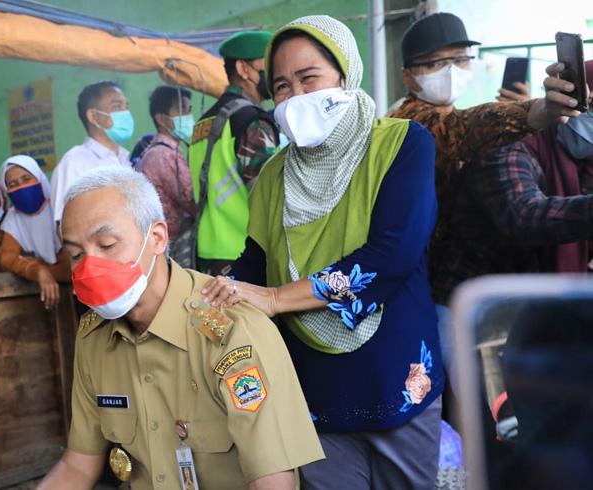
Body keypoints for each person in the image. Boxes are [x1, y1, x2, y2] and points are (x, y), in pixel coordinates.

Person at [201, 15, 446, 489]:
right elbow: (256, 262)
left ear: (345, 74)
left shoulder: (401, 144)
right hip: (313, 389)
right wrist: (210, 294)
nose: (296, 96)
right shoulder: (273, 176)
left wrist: (274, 299)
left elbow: (393, 255)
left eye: (309, 77)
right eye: (282, 86)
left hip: (395, 373)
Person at [37, 166, 323, 490]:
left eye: (106, 244)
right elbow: (78, 464)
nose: (89, 266)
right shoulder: (94, 339)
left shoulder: (231, 331)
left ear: (156, 238)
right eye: (75, 254)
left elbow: (272, 481)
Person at [388, 12, 581, 375]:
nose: (451, 70)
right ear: (407, 75)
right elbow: (460, 130)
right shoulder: (408, 122)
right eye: (435, 63)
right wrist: (533, 113)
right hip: (432, 296)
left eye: (460, 60)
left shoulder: (451, 115)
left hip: (464, 296)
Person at [432, 62, 593, 306]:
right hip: (468, 309)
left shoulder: (583, 160)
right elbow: (523, 215)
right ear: (569, 103)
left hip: (530, 311)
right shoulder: (510, 145)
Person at [188, 30, 279, 275]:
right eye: (267, 63)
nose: (274, 71)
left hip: (207, 253)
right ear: (243, 69)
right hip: (243, 255)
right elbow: (271, 194)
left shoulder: (202, 122)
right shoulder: (250, 121)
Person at [50, 81, 132, 226]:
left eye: (126, 106)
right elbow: (63, 228)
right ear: (93, 116)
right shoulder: (74, 163)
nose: (126, 113)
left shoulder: (126, 159)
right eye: (117, 106)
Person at [0, 155, 69, 310]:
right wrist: (38, 270)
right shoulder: (13, 218)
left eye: (26, 179)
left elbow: (70, 269)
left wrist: (38, 266)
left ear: (39, 178)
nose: (21, 187)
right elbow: (6, 259)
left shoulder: (60, 208)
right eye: (13, 184)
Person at [136, 85, 196, 246]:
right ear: (162, 119)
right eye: (182, 110)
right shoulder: (164, 155)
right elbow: (193, 202)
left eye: (190, 109)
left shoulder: (164, 151)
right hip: (170, 246)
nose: (189, 116)